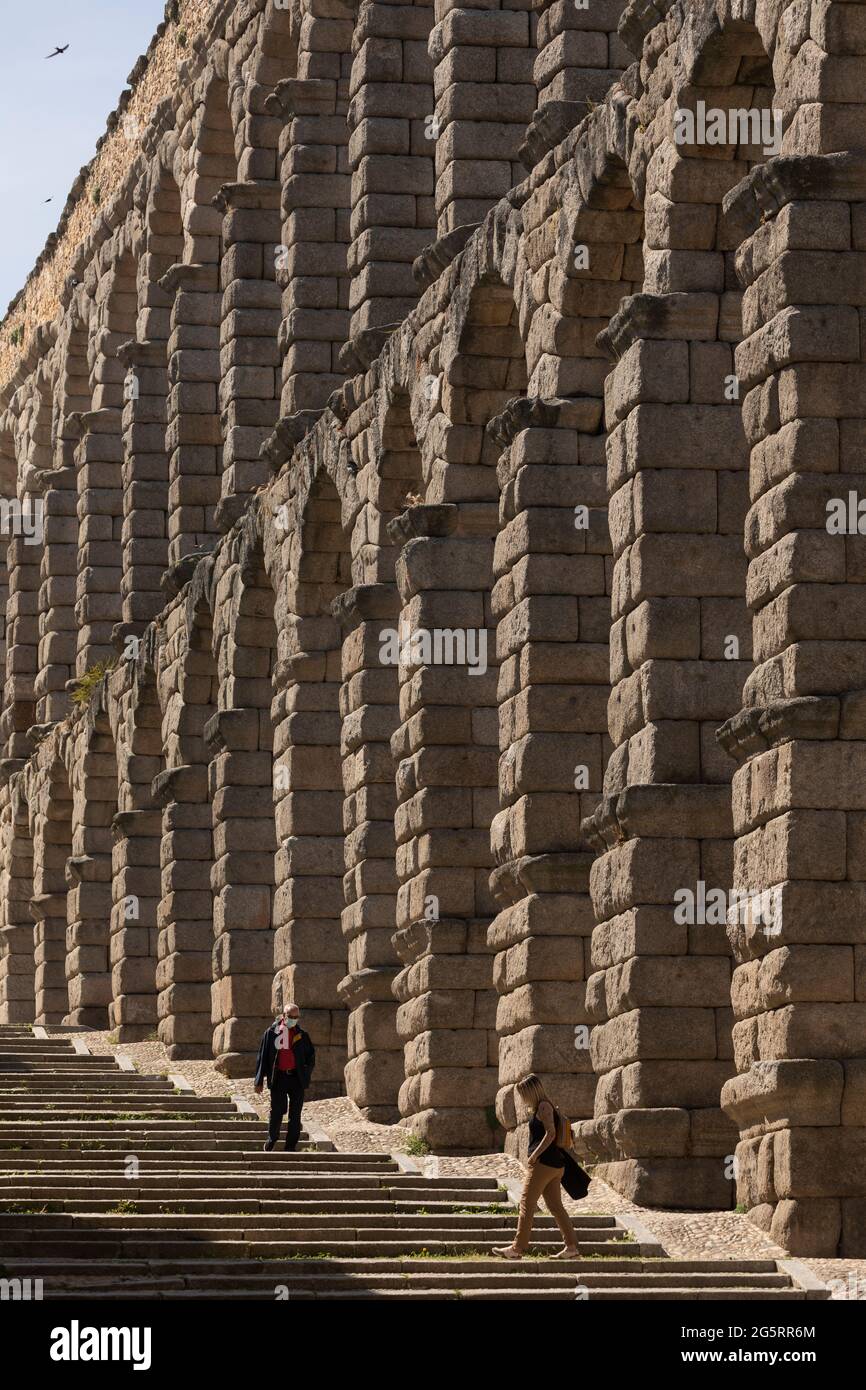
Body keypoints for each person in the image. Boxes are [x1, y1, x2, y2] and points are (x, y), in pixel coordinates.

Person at [493, 1073, 582, 1260]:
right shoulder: (544, 1106)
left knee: (526, 1203)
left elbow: (550, 1133)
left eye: (523, 1093)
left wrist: (534, 1155)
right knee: (556, 1206)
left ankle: (517, 1249)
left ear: (531, 1091)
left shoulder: (543, 1106)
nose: (522, 1097)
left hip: (544, 1164)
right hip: (555, 1165)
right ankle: (572, 1248)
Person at [254, 1002, 316, 1152]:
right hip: (279, 1077)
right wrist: (259, 1080)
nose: (293, 1019)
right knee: (277, 1110)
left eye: (296, 1017)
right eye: (290, 1016)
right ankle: (272, 1140)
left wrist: (305, 1073)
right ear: (284, 1016)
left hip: (296, 1078)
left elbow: (311, 1057)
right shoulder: (272, 1032)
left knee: (295, 1113)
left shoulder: (302, 1035)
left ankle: (290, 1146)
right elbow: (263, 1057)